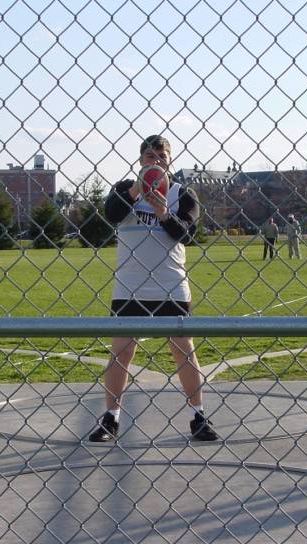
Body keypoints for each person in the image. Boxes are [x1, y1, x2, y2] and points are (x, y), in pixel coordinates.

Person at [88, 135, 218, 443]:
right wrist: (138, 189)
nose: (155, 159)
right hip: (129, 287)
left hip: (170, 286)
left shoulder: (182, 193)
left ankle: (198, 415)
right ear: (140, 159)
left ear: (170, 159)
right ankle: (111, 418)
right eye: (149, 155)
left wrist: (162, 213)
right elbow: (112, 215)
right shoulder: (124, 190)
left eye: (161, 155)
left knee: (183, 352)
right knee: (121, 353)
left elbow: (186, 234)